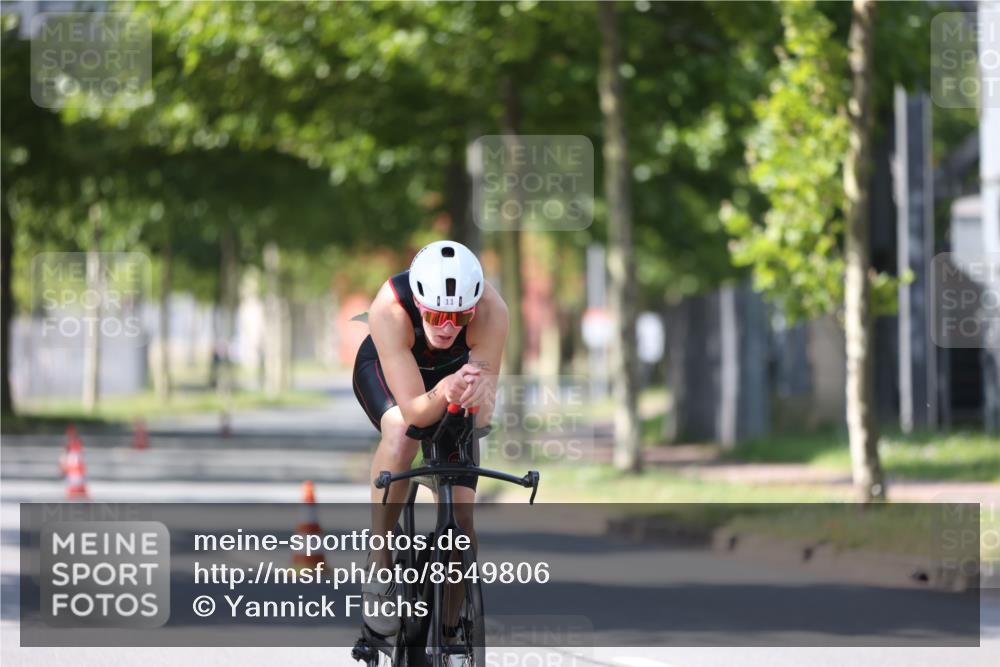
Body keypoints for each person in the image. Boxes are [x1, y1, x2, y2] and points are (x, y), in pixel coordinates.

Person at [352, 240, 508, 637]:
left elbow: (484, 413)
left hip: (456, 382)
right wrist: (446, 391)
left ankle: (452, 631)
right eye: (437, 314)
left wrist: (469, 395)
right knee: (402, 433)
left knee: (462, 521)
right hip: (393, 373)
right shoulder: (390, 307)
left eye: (460, 317)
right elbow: (416, 412)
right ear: (420, 304)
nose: (447, 326)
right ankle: (381, 560)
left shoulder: (492, 312)